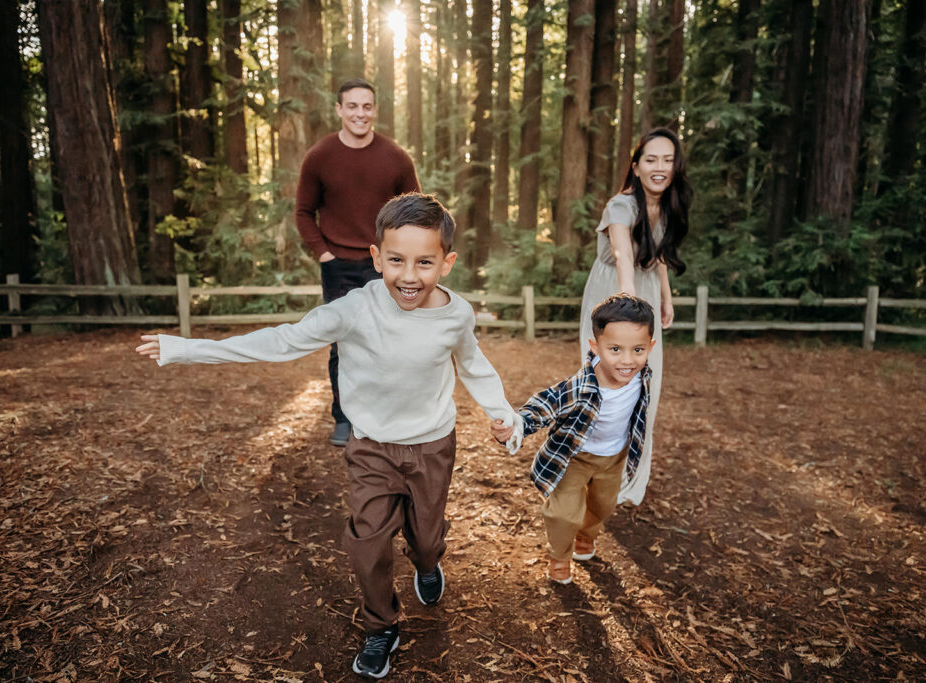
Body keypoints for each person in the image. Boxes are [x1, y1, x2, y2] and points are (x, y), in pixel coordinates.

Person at [136, 193, 523, 680]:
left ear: (446, 263)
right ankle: (382, 625)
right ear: (376, 256)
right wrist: (187, 349)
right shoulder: (354, 309)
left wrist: (502, 412)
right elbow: (281, 340)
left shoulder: (457, 314)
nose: (409, 276)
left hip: (432, 446)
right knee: (367, 543)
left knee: (425, 538)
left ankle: (427, 563)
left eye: (424, 262)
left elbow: (474, 365)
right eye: (396, 260)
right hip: (372, 449)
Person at [492, 294, 655, 584]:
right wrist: (517, 425)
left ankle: (586, 534)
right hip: (573, 457)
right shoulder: (580, 386)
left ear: (650, 347)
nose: (627, 360)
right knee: (564, 512)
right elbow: (546, 403)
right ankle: (559, 556)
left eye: (638, 349)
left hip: (613, 458)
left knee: (603, 507)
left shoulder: (642, 377)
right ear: (595, 346)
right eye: (615, 349)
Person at [296, 77, 421, 447]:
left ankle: (388, 416)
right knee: (344, 344)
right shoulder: (320, 156)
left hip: (386, 265)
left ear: (375, 110)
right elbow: (304, 212)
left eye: (366, 106)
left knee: (391, 340)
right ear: (339, 110)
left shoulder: (396, 157)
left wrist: (401, 257)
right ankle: (344, 418)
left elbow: (415, 211)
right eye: (352, 106)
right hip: (338, 265)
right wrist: (324, 253)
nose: (360, 113)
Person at [578, 127, 692, 506]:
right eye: (651, 160)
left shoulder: (667, 204)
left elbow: (656, 256)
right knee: (609, 387)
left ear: (676, 166)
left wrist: (665, 297)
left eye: (667, 159)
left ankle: (627, 480)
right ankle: (593, 476)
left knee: (646, 387)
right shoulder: (621, 206)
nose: (660, 167)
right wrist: (627, 306)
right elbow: (624, 255)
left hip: (643, 292)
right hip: (611, 294)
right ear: (636, 166)